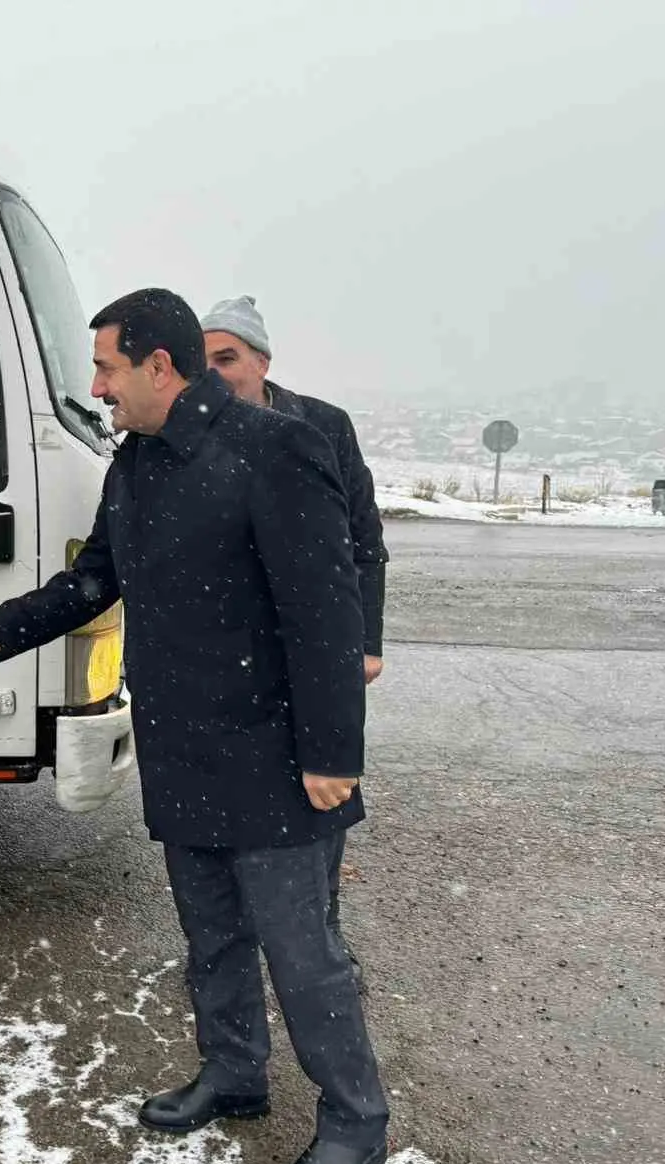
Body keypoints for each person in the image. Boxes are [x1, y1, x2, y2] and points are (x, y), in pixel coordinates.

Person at [0, 290, 390, 1164]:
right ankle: (235, 1073)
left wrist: (333, 753)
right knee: (212, 937)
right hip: (182, 746)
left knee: (303, 956)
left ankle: (355, 1120)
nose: (97, 386)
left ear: (159, 366)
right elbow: (93, 581)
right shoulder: (137, 461)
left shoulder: (277, 447)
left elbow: (326, 610)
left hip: (273, 754)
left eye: (106, 367)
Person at [201, 295, 389, 988]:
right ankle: (233, 946)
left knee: (323, 795)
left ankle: (322, 941)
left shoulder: (323, 426)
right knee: (233, 801)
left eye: (227, 358)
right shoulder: (193, 432)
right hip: (235, 646)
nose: (214, 374)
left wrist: (365, 641)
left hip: (319, 639)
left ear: (261, 361)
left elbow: (365, 541)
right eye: (202, 361)